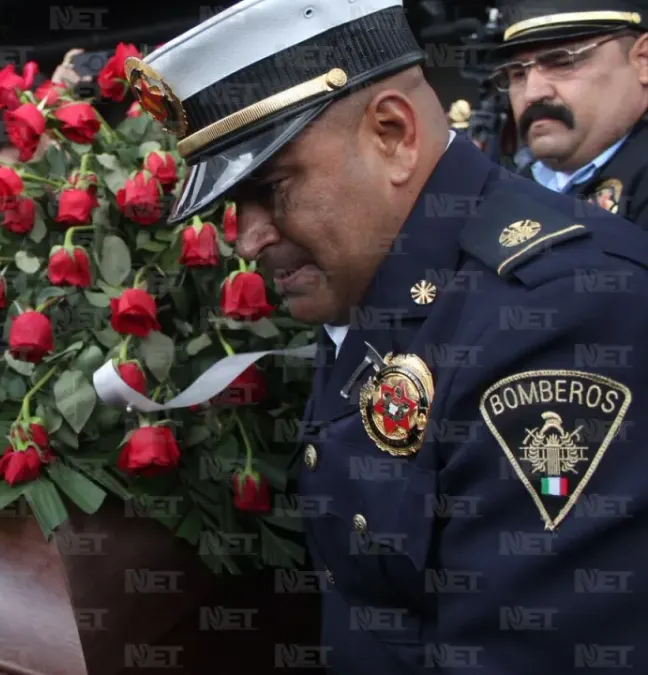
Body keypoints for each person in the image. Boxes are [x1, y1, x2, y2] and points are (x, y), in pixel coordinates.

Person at [133, 0, 648, 672]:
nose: (247, 237)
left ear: (393, 134)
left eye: (272, 187)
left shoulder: (559, 315)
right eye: (234, 205)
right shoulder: (379, 269)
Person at [492, 0, 648, 226]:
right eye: (517, 75)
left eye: (563, 63)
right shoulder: (508, 188)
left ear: (643, 61)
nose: (532, 93)